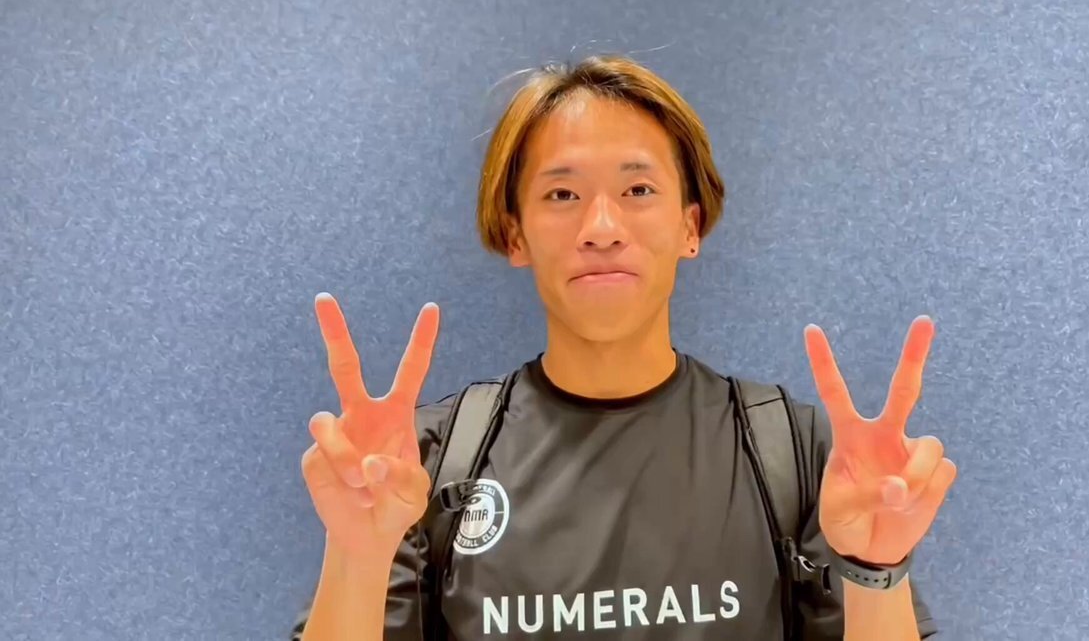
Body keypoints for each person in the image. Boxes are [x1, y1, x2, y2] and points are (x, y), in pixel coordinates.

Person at [289, 55, 957, 640]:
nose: (602, 227)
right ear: (515, 234)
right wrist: (358, 555)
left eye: (638, 190)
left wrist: (876, 569)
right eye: (562, 193)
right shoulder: (417, 467)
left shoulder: (795, 453)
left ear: (690, 226)